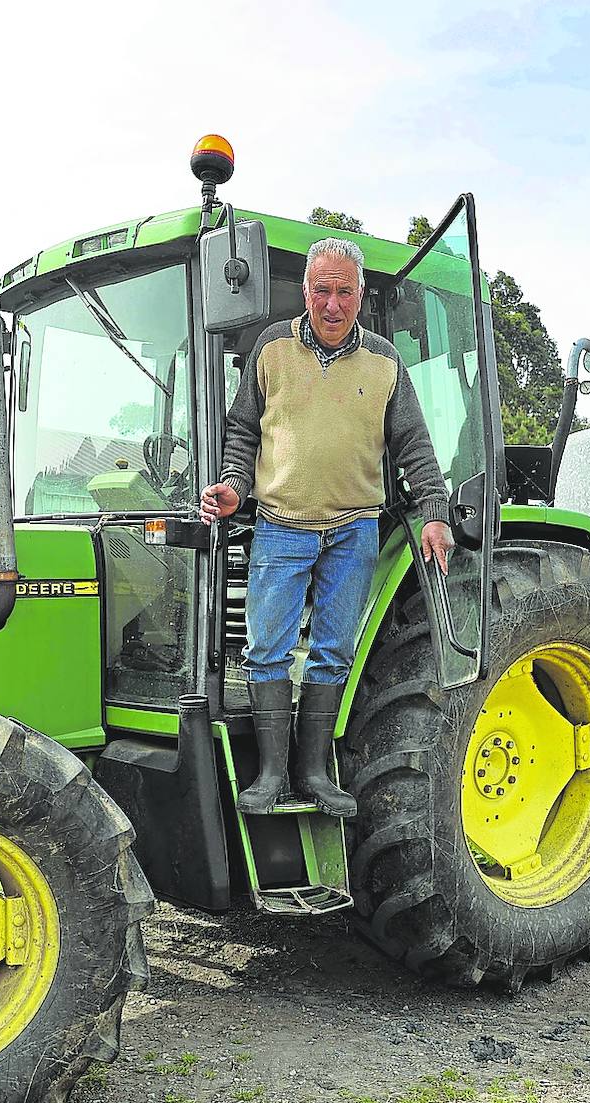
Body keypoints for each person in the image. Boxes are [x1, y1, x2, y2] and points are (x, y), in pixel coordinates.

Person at [201, 237, 454, 817]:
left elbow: (413, 445)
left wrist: (434, 514)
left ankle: (313, 772)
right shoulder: (271, 349)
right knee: (267, 650)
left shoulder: (386, 363)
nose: (332, 303)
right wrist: (234, 486)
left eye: (345, 291)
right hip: (281, 523)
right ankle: (271, 775)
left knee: (333, 652)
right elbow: (243, 433)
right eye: (322, 289)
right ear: (306, 291)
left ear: (361, 296)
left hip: (353, 530)